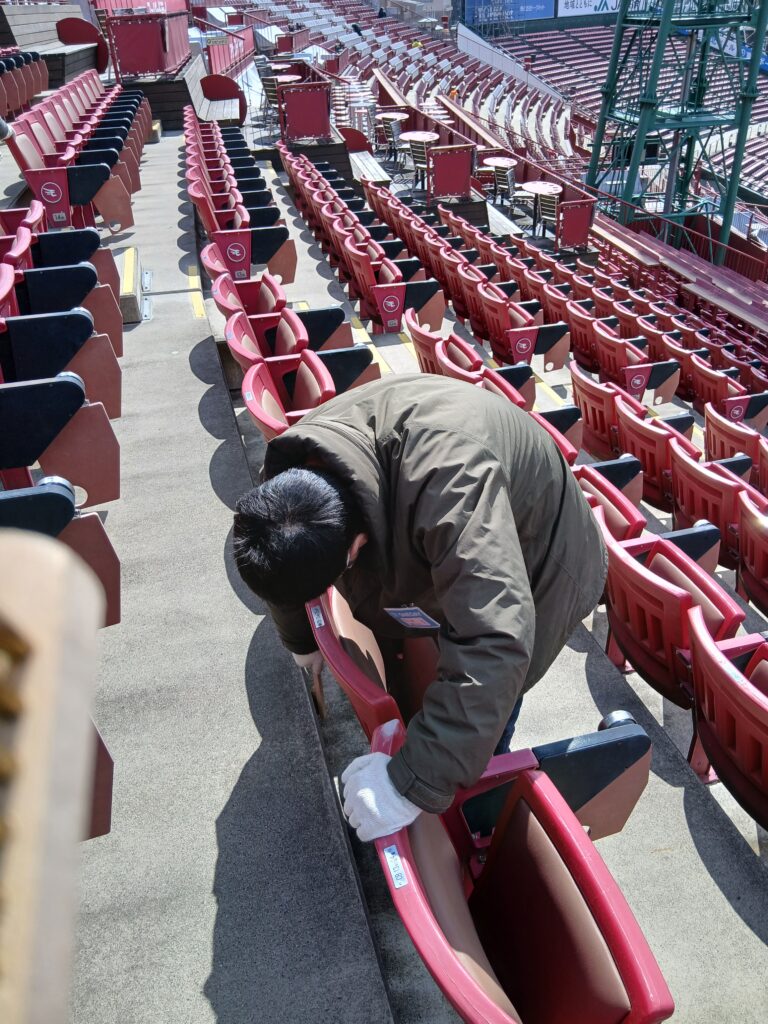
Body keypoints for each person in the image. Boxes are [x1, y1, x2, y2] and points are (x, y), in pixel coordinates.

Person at [233, 375, 607, 842]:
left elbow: (495, 640)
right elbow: (286, 575)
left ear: (356, 547)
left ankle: (479, 792)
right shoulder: (290, 492)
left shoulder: (452, 487)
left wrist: (409, 783)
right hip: (449, 502)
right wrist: (300, 639)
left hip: (543, 548)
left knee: (496, 687)